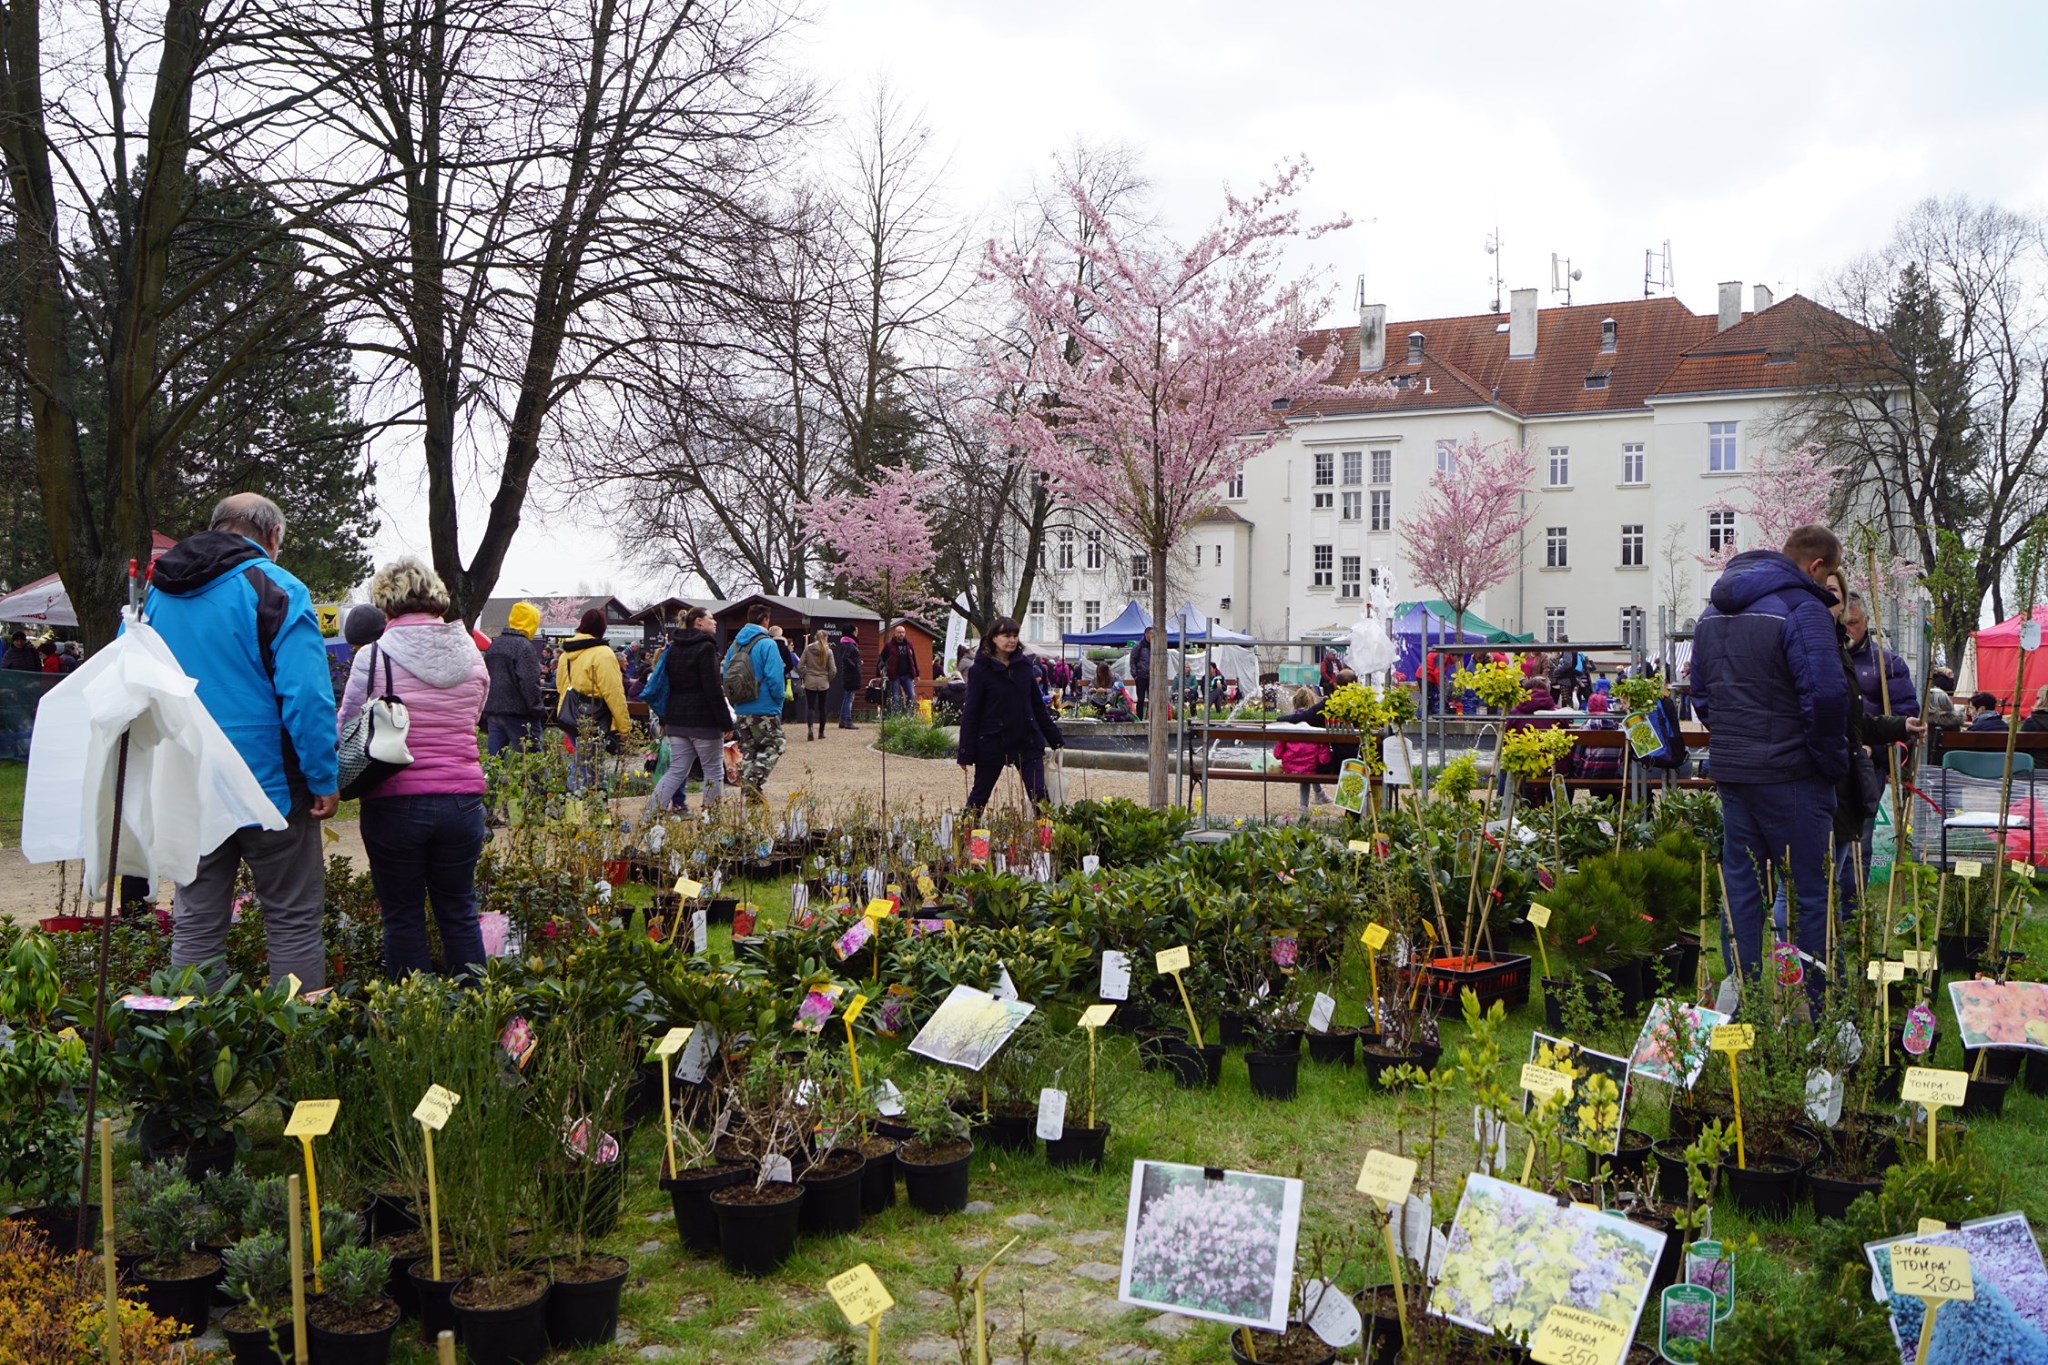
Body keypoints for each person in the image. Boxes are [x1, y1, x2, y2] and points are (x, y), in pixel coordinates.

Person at [146, 493, 340, 988]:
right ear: (272, 536)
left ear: (217, 527)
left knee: (196, 915)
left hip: (188, 773)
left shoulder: (158, 593)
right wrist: (323, 775)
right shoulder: (277, 586)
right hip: (269, 783)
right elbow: (307, 696)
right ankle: (297, 1047)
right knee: (292, 915)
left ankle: (191, 1043)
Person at [1690, 524, 1849, 994]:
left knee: (1742, 894)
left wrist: (1735, 741)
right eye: (1828, 577)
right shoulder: (1803, 609)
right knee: (1809, 898)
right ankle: (1821, 1017)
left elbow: (1701, 696)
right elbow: (1825, 697)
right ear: (1816, 566)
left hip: (1736, 774)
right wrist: (1829, 763)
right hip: (1794, 775)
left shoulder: (1710, 614)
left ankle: (1743, 1005)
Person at [337, 558, 489, 978]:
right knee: (458, 910)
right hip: (462, 801)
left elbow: (348, 725)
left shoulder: (374, 656)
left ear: (386, 603)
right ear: (437, 597)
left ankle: (413, 1016)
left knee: (402, 915)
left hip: (394, 800)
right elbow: (471, 717)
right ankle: (477, 1010)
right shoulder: (473, 655)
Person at [956, 616, 1064, 809]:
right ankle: (966, 836)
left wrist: (1054, 737)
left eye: (1015, 635)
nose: (1012, 640)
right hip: (992, 740)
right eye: (1006, 635)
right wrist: (965, 752)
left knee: (1040, 797)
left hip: (1026, 739)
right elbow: (971, 712)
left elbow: (1037, 705)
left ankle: (1047, 837)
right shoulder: (980, 670)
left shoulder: (1024, 666)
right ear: (994, 638)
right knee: (979, 798)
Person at [641, 607, 728, 820]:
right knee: (713, 771)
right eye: (711, 618)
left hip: (676, 719)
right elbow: (713, 688)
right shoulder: (706, 648)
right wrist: (725, 722)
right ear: (699, 622)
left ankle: (649, 814)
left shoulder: (674, 648)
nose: (715, 622)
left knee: (676, 770)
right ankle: (711, 819)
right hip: (703, 721)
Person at [555, 608, 631, 791]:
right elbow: (614, 693)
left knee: (582, 762)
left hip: (569, 715)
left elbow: (560, 685)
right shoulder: (603, 653)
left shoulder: (566, 654)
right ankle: (590, 811)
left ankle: (575, 808)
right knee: (593, 769)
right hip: (593, 718)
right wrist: (624, 727)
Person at [725, 602, 787, 802]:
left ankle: (751, 792)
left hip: (742, 707)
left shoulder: (734, 646)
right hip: (765, 706)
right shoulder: (767, 644)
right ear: (765, 620)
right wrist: (778, 701)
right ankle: (753, 782)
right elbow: (775, 678)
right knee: (776, 744)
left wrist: (736, 703)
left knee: (750, 750)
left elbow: (726, 674)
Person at [482, 601, 545, 756]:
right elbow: (529, 682)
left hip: (494, 710)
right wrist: (537, 709)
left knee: (495, 761)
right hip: (519, 713)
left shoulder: (495, 645)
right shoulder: (524, 647)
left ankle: (492, 781)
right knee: (533, 763)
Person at [1273, 686, 1334, 810]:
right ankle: (1304, 805)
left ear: (1295, 702)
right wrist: (1325, 760)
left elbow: (1277, 752)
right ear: (1311, 702)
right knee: (1310, 767)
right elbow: (1323, 754)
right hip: (1309, 766)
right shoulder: (1314, 722)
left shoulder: (1289, 722)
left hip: (1290, 766)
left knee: (1306, 767)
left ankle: (1319, 794)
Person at [799, 628, 834, 740]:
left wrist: (805, 674)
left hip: (810, 681)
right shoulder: (828, 651)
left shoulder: (808, 649)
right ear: (825, 638)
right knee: (822, 707)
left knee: (810, 707)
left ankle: (810, 729)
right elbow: (833, 670)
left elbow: (800, 666)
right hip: (823, 681)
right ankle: (821, 732)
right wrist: (828, 678)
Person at [880, 623, 919, 712]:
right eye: (899, 632)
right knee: (896, 697)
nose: (901, 634)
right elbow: (882, 658)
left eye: (903, 632)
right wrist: (881, 670)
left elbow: (913, 659)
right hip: (894, 675)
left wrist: (917, 673)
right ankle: (896, 716)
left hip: (907, 675)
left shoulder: (909, 644)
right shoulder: (889, 645)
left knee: (911, 695)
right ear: (895, 633)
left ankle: (907, 714)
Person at [835, 632, 862, 729]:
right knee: (849, 698)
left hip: (848, 675)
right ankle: (847, 720)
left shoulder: (846, 645)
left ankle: (842, 720)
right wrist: (855, 665)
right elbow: (846, 658)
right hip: (851, 675)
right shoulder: (849, 646)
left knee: (847, 697)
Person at [1131, 630, 1152, 719]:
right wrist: (1135, 675)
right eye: (1151, 634)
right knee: (1141, 698)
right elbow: (1133, 660)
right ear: (1146, 634)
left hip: (1151, 676)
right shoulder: (1138, 646)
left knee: (1153, 698)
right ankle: (1139, 717)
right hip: (1141, 676)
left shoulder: (1154, 645)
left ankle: (1152, 717)